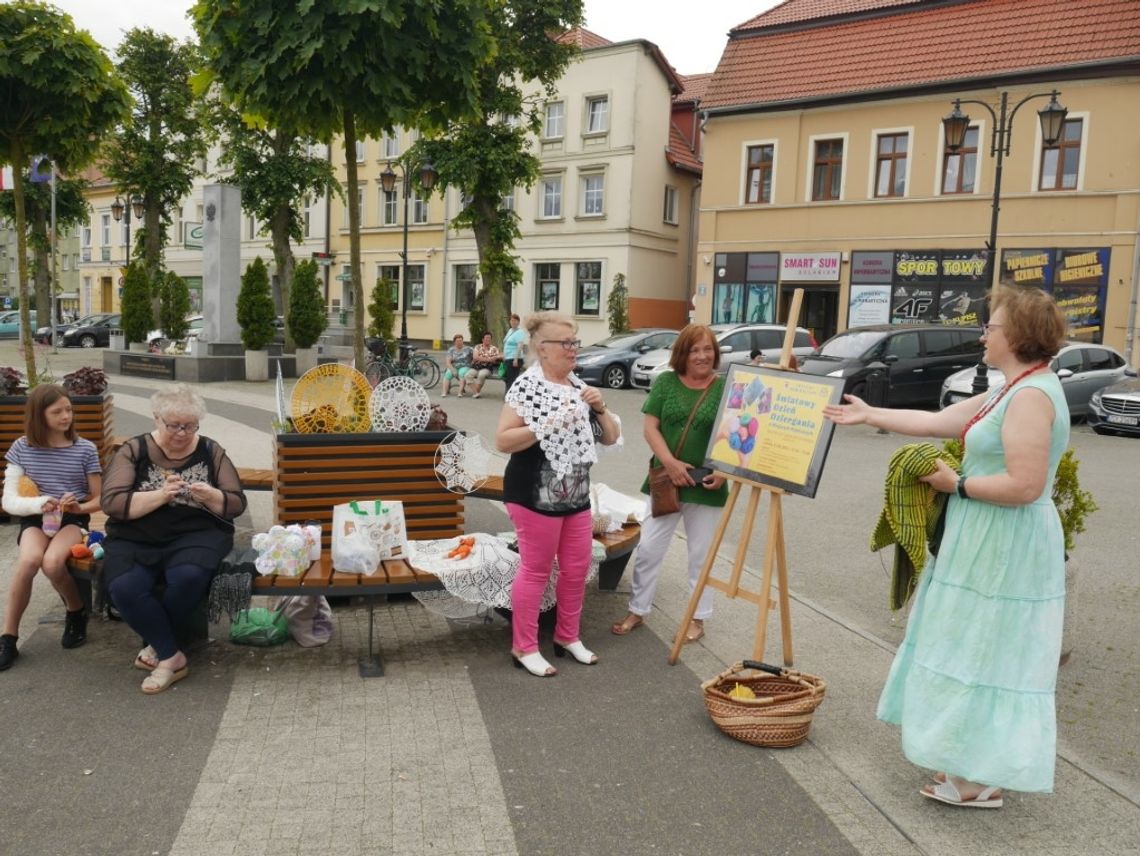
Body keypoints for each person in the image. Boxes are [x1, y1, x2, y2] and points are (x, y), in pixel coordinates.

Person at [824, 287, 1070, 808]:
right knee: (970, 644)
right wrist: (871, 415)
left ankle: (980, 776)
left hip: (1004, 540)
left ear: (1018, 336)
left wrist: (953, 484)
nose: (984, 334)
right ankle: (969, 761)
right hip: (986, 534)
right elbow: (942, 422)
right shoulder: (1015, 387)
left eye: (992, 327)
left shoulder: (1029, 395)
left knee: (986, 648)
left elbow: (1025, 486)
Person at [495, 311, 621, 677]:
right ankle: (524, 646)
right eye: (565, 343)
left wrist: (598, 407)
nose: (573, 349)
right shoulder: (526, 386)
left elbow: (610, 437)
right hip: (534, 497)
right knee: (535, 571)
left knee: (577, 569)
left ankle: (567, 637)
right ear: (541, 348)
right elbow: (504, 439)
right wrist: (545, 424)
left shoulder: (577, 386)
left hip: (575, 497)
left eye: (575, 342)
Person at [101, 384, 247, 694]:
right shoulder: (134, 450)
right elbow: (112, 503)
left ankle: (159, 651)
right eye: (174, 426)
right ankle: (172, 655)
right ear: (156, 419)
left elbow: (236, 503)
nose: (182, 433)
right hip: (136, 536)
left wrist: (211, 495)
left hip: (197, 534)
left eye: (190, 425)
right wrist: (160, 496)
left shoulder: (210, 450)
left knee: (188, 576)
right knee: (124, 588)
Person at [611, 325, 727, 643]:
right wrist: (672, 464)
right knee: (649, 548)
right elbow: (651, 428)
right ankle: (638, 608)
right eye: (694, 350)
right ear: (682, 354)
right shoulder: (665, 382)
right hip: (667, 481)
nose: (702, 355)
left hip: (707, 484)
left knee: (700, 556)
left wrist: (725, 472)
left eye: (708, 349)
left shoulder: (725, 388)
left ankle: (697, 618)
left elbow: (737, 437)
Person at [0, 385, 102, 671]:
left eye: (68, 409)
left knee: (53, 562)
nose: (65, 416)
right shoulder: (22, 447)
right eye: (57, 411)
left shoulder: (84, 449)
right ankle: (8, 637)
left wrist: (78, 507)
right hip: (36, 516)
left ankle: (75, 610)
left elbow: (100, 498)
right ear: (38, 415)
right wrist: (41, 503)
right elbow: (9, 500)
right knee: (29, 560)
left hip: (72, 518)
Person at [468, 332, 503, 399]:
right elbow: (475, 357)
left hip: (487, 368)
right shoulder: (477, 347)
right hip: (476, 366)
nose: (488, 340)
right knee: (468, 375)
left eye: (489, 338)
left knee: (481, 374)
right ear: (483, 339)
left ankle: (476, 392)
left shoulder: (494, 348)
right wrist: (489, 359)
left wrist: (495, 358)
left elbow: (499, 356)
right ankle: (476, 393)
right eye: (486, 338)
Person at [441, 333, 473, 397]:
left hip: (465, 366)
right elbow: (448, 362)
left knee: (461, 373)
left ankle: (460, 392)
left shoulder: (468, 349)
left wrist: (472, 363)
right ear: (454, 342)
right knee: (447, 374)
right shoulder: (451, 350)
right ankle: (444, 392)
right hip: (454, 366)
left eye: (461, 341)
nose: (459, 342)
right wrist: (453, 370)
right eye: (457, 341)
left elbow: (475, 356)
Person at [501, 313, 526, 391]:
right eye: (511, 320)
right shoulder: (510, 330)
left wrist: (516, 359)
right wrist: (504, 355)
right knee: (507, 377)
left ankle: (509, 395)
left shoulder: (520, 332)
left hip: (515, 358)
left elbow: (520, 345)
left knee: (511, 378)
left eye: (515, 320)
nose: (513, 322)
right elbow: (506, 343)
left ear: (518, 322)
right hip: (508, 358)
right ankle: (510, 393)